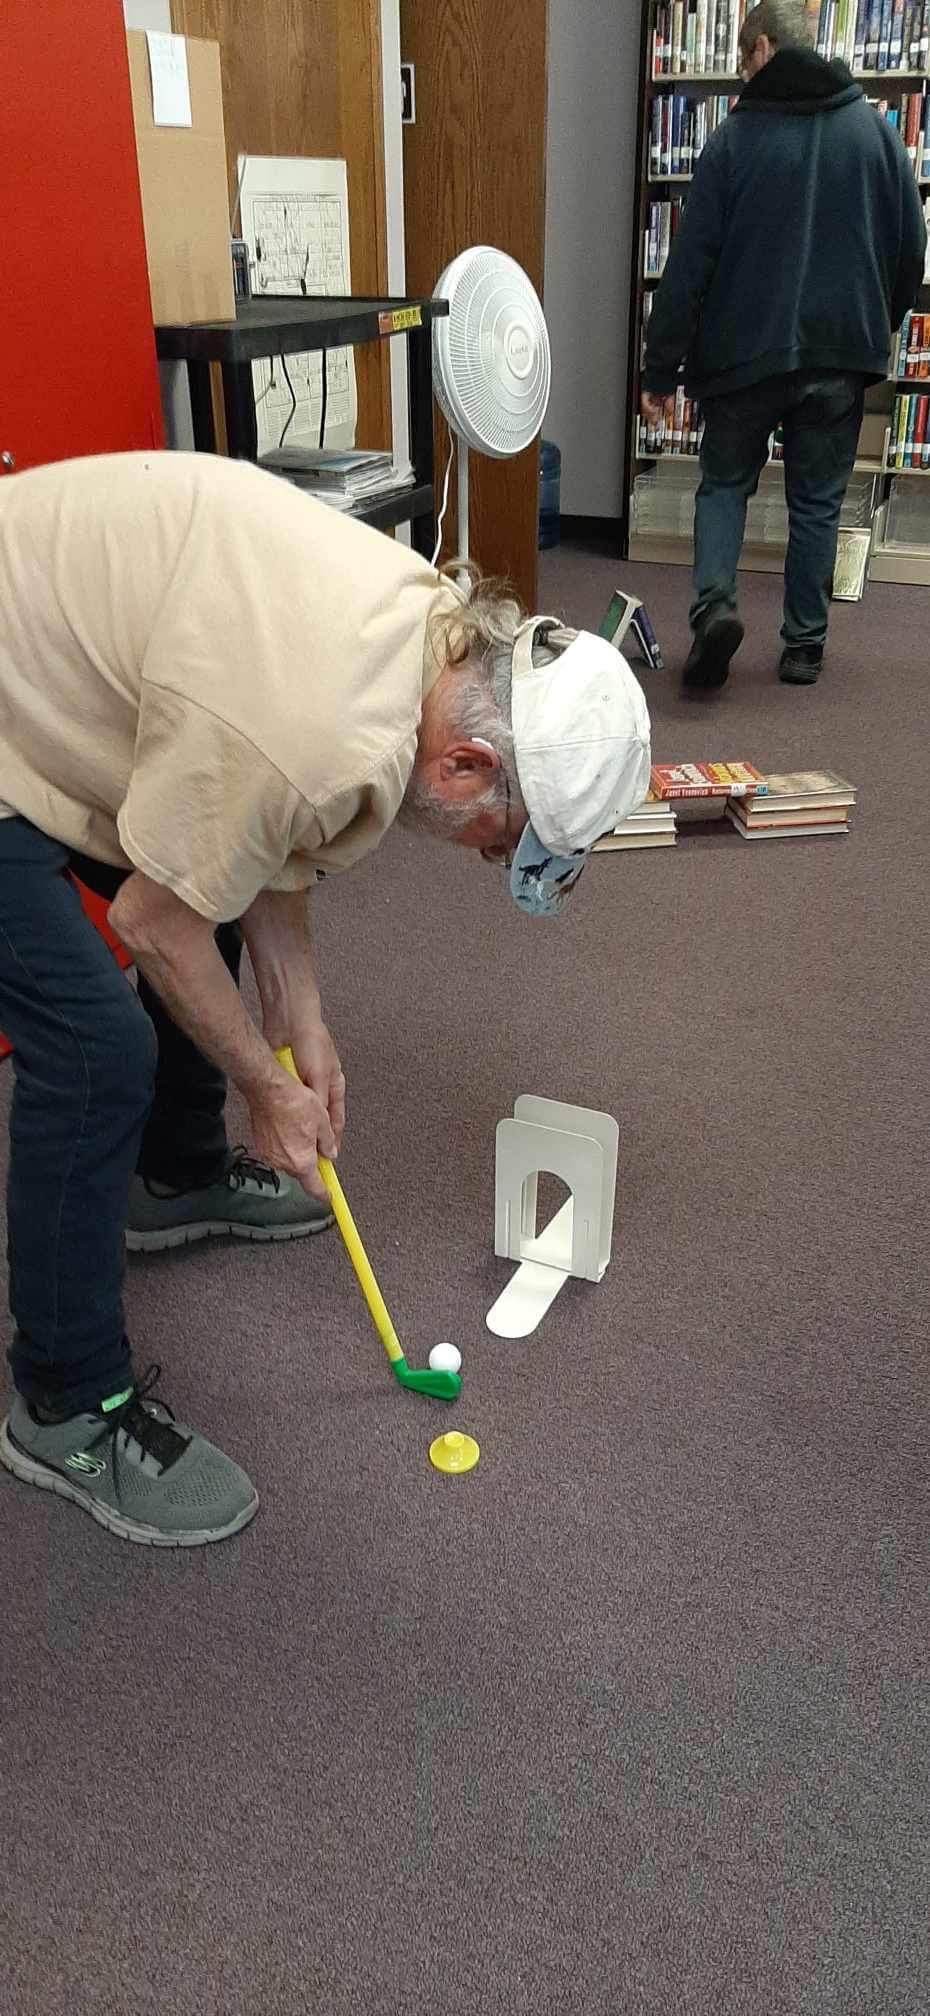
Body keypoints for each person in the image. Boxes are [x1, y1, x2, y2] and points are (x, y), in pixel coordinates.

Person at [0, 449, 650, 1547]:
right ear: (466, 770)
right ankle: (65, 1401)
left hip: (74, 672)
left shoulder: (433, 643)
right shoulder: (313, 728)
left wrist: (304, 1021)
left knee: (203, 890)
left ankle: (174, 1177)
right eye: (503, 840)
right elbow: (159, 915)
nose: (490, 862)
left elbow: (262, 844)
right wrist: (262, 1081)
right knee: (99, 1041)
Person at [641, 0, 927, 690]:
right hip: (839, 354)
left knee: (724, 487)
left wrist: (661, 366)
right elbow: (909, 248)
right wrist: (875, 327)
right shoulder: (876, 133)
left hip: (741, 355)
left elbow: (690, 265)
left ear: (763, 47)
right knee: (818, 502)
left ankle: (714, 610)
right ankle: (804, 646)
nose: (742, 76)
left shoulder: (734, 142)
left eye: (743, 60)